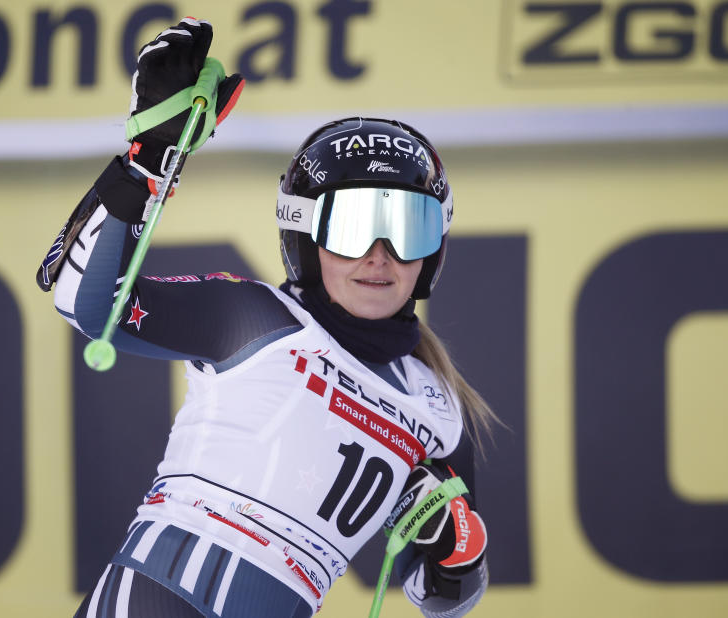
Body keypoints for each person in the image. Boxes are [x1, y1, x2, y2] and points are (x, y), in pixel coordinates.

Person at [38, 17, 498, 618]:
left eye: (408, 230)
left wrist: (458, 550)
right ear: (305, 238)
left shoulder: (437, 409)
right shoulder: (250, 317)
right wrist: (146, 160)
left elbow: (439, 600)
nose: (379, 257)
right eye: (352, 229)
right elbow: (81, 299)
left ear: (434, 250)